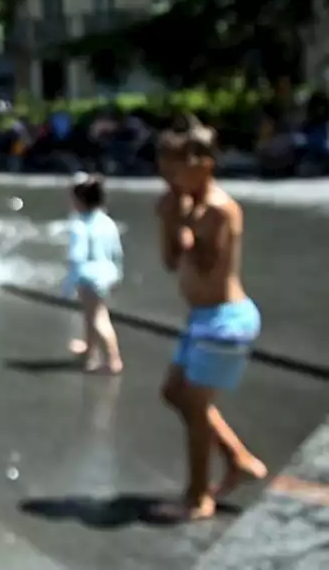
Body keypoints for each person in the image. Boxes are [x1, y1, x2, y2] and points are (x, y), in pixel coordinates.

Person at [155, 115, 267, 522]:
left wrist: (181, 221)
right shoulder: (185, 206)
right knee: (175, 393)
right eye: (163, 165)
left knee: (196, 408)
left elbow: (205, 264)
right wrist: (169, 222)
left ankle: (198, 496)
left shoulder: (220, 210)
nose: (167, 174)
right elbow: (171, 262)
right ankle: (237, 458)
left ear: (204, 163)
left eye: (175, 165)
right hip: (202, 319)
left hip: (226, 319)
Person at [61, 173, 124, 373]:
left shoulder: (79, 226)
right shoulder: (107, 222)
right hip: (107, 273)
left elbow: (76, 257)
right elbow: (117, 252)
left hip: (87, 276)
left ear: (79, 201)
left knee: (98, 318)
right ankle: (90, 353)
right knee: (91, 315)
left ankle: (114, 358)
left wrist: (68, 284)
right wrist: (118, 274)